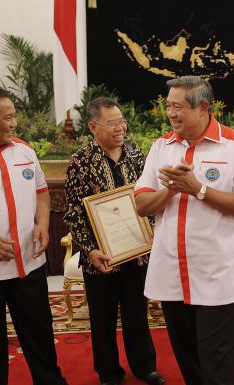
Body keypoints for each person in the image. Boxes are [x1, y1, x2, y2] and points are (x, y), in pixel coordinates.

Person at [134, 76, 234, 385]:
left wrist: (198, 189)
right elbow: (141, 205)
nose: (171, 114)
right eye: (168, 106)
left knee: (219, 360)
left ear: (203, 107)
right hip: (172, 270)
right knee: (187, 356)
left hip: (216, 273)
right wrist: (171, 190)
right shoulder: (161, 147)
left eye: (178, 107)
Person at [0, 86, 67, 385]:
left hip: (28, 267)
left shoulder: (23, 150)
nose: (13, 123)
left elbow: (41, 192)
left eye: (14, 116)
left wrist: (42, 223)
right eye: (6, 117)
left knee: (41, 341)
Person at [63, 97, 164, 385]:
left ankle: (145, 367)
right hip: (101, 256)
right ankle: (108, 372)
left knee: (137, 314)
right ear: (93, 127)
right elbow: (73, 211)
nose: (120, 128)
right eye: (112, 123)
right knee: (102, 318)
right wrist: (89, 249)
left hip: (137, 250)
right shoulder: (81, 161)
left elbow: (149, 196)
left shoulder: (135, 154)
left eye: (121, 120)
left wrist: (153, 231)